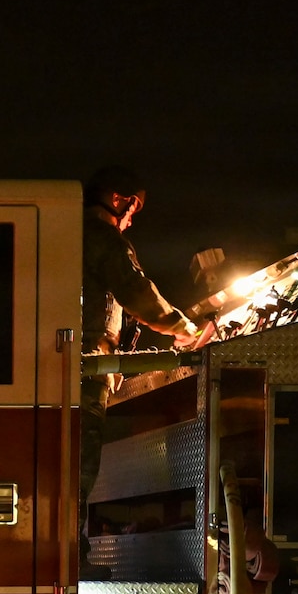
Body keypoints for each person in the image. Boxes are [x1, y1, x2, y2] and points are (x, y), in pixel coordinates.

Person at [79, 165, 204, 513]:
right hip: (85, 374)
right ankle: (72, 549)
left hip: (70, 367)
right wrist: (186, 329)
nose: (130, 221)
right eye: (133, 210)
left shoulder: (64, 233)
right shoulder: (103, 239)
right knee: (79, 468)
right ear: (119, 199)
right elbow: (138, 294)